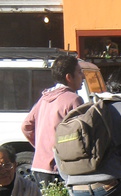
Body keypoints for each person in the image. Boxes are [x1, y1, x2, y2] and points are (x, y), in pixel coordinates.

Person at [21, 54, 84, 186]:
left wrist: (42, 146)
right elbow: (83, 133)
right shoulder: (73, 99)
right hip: (60, 168)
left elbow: (26, 126)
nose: (82, 77)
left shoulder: (44, 98)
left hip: (39, 165)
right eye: (79, 72)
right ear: (69, 77)